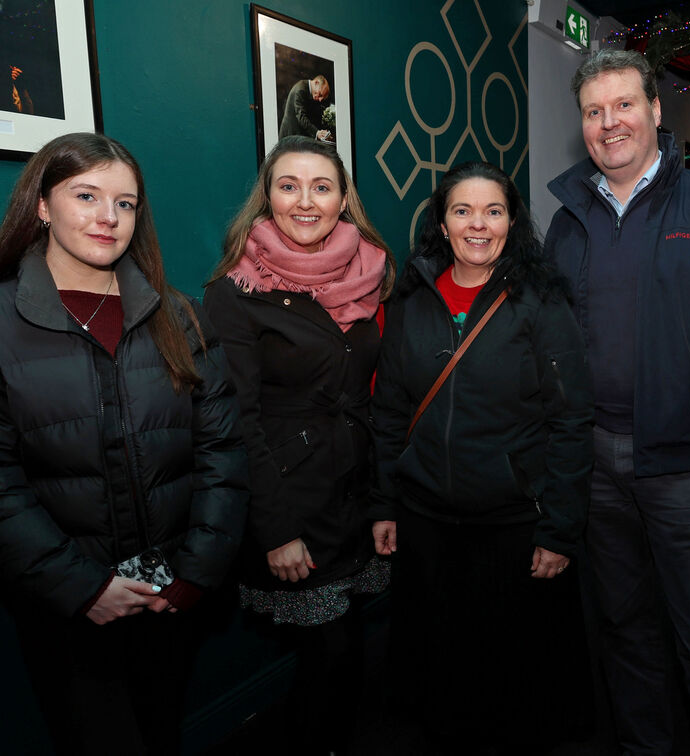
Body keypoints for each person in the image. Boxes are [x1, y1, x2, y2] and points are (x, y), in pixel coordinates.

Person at [0, 132, 248, 754]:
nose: (108, 217)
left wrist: (198, 571)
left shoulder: (177, 315)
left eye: (125, 204)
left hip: (170, 601)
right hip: (69, 612)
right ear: (42, 206)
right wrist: (82, 589)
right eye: (87, 195)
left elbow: (223, 452)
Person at [544, 49, 690, 755]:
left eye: (623, 106)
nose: (608, 123)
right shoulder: (568, 219)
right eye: (593, 111)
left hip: (689, 471)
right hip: (596, 468)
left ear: (654, 111)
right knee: (624, 634)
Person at [371, 161, 594, 752]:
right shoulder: (411, 298)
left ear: (511, 222)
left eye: (493, 211)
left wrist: (561, 530)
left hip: (512, 523)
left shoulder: (540, 301)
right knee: (438, 671)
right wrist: (385, 504)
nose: (477, 224)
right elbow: (391, 409)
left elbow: (571, 420)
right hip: (426, 522)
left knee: (508, 677)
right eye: (462, 211)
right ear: (441, 224)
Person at [202, 135, 394, 755]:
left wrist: (384, 500)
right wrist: (276, 528)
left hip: (357, 496)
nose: (305, 201)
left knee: (349, 654)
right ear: (269, 196)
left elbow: (377, 397)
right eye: (289, 186)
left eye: (322, 186)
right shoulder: (236, 291)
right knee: (328, 655)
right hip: (293, 503)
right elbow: (238, 419)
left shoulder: (372, 272)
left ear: (344, 200)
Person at [279, 74, 333, 141]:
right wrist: (317, 133)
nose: (320, 99)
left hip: (296, 136)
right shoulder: (301, 90)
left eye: (322, 98)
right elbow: (301, 117)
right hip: (289, 136)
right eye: (320, 94)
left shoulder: (306, 89)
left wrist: (321, 132)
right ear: (316, 82)